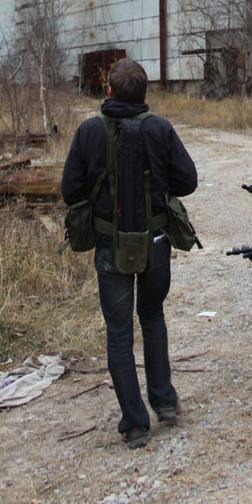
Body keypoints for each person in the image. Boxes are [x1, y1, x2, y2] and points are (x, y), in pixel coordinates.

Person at [61, 58, 198, 448]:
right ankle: (165, 402)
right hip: (155, 244)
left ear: (109, 91)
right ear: (144, 94)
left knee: (119, 333)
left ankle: (135, 424)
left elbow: (70, 192)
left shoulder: (89, 131)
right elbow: (188, 181)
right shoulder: (160, 129)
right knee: (152, 317)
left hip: (110, 247)